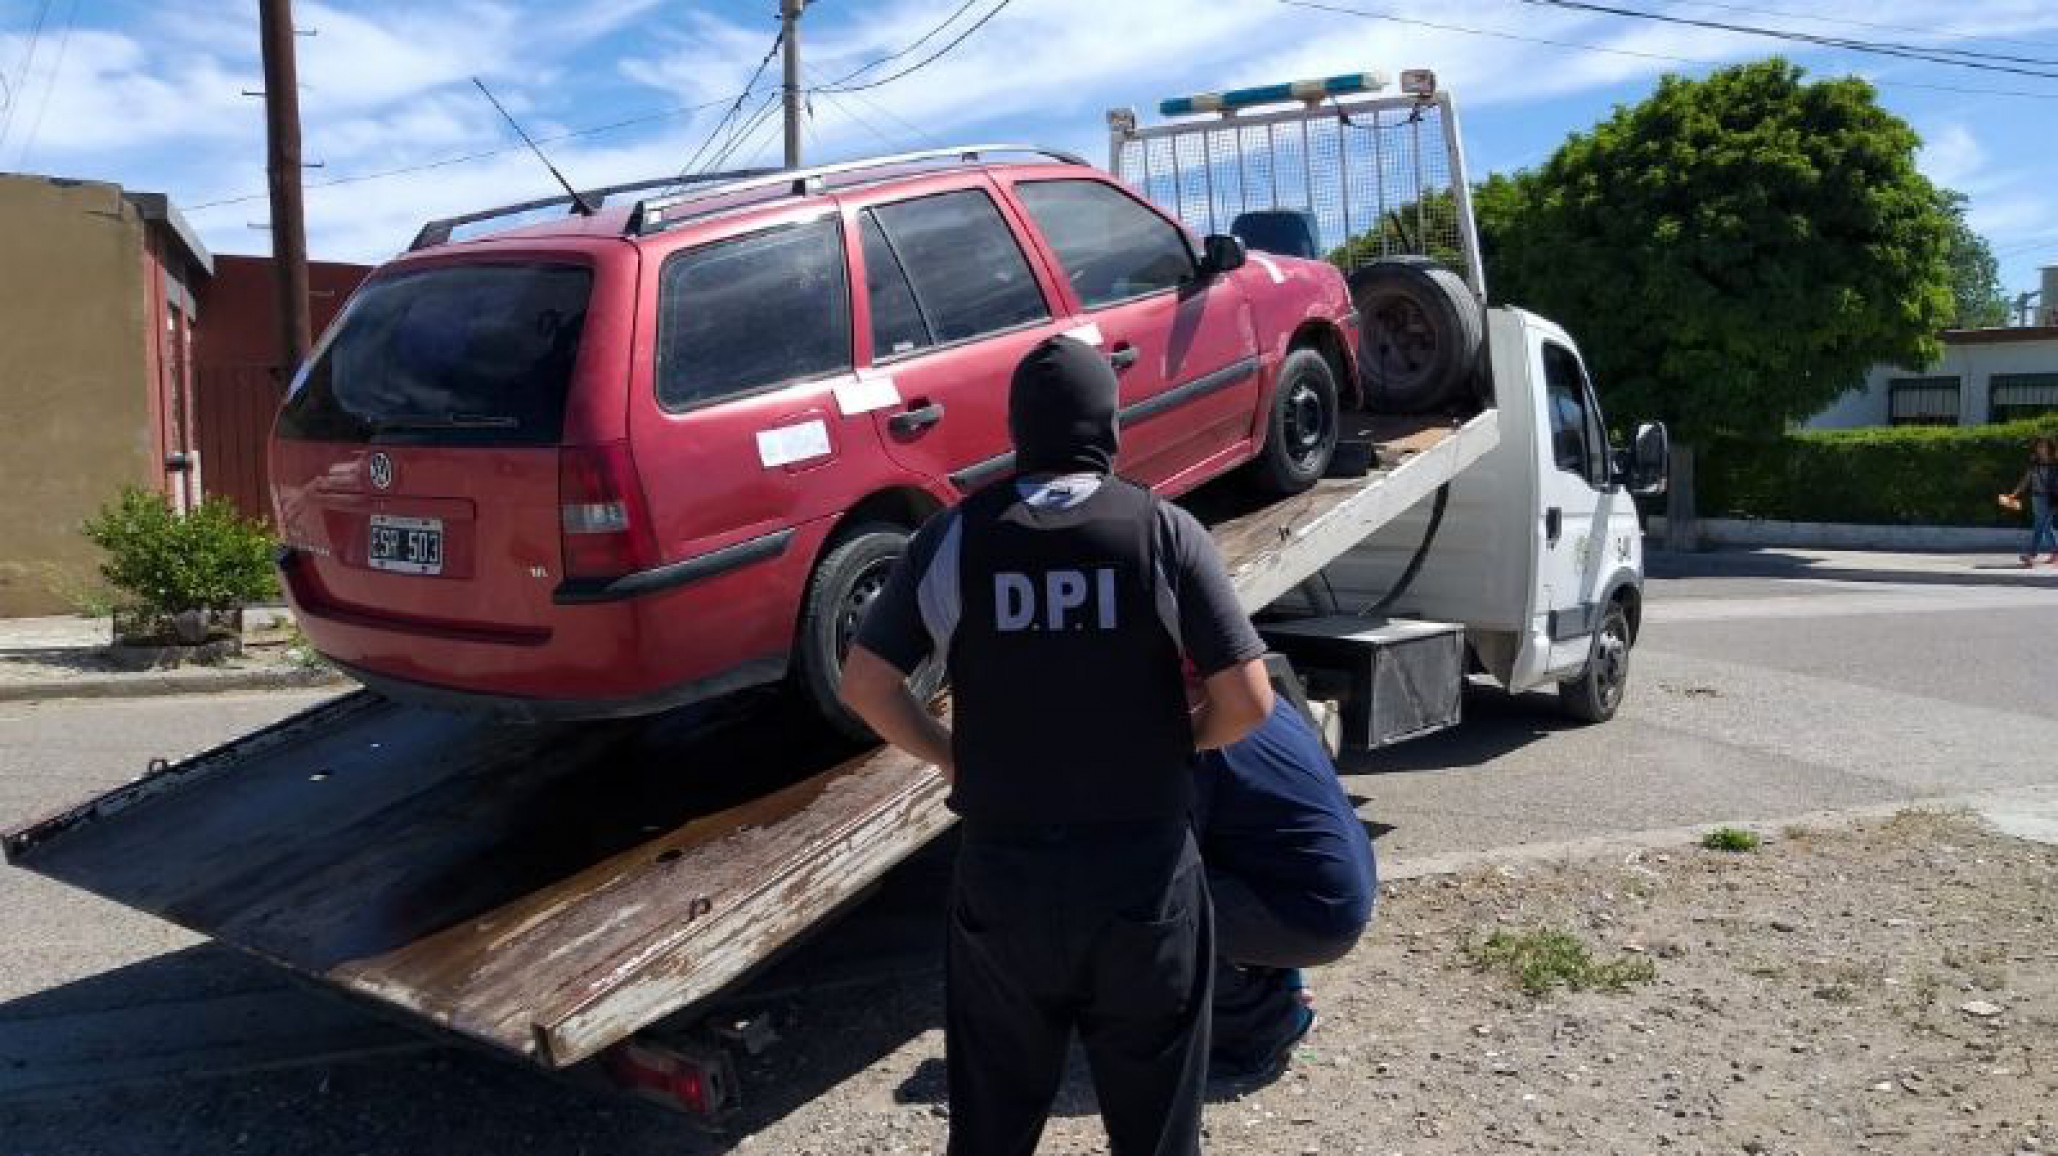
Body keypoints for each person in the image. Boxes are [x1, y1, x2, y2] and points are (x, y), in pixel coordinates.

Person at [840, 335, 1274, 1156]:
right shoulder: (1163, 532)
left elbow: (865, 681)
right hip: (1142, 876)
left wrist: (949, 753)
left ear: (1018, 430)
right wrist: (1183, 741)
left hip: (1005, 878)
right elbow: (1248, 700)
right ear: (1107, 425)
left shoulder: (959, 535)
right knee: (1156, 1132)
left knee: (994, 1127)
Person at [1194, 696, 1377, 1083]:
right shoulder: (1258, 700)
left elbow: (1164, 857)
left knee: (1144, 899)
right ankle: (1280, 981)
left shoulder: (1201, 736)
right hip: (1327, 894)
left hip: (1310, 914)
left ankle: (1263, 1026)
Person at [2006, 436, 2058, 566]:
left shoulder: (2055, 463)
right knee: (2045, 526)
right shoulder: (2034, 463)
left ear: (2049, 448)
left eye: (2043, 446)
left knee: (2040, 525)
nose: (2040, 448)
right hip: (2036, 497)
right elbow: (2026, 480)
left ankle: (2031, 554)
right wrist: (2015, 493)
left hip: (2052, 499)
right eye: (2038, 446)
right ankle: (2055, 552)